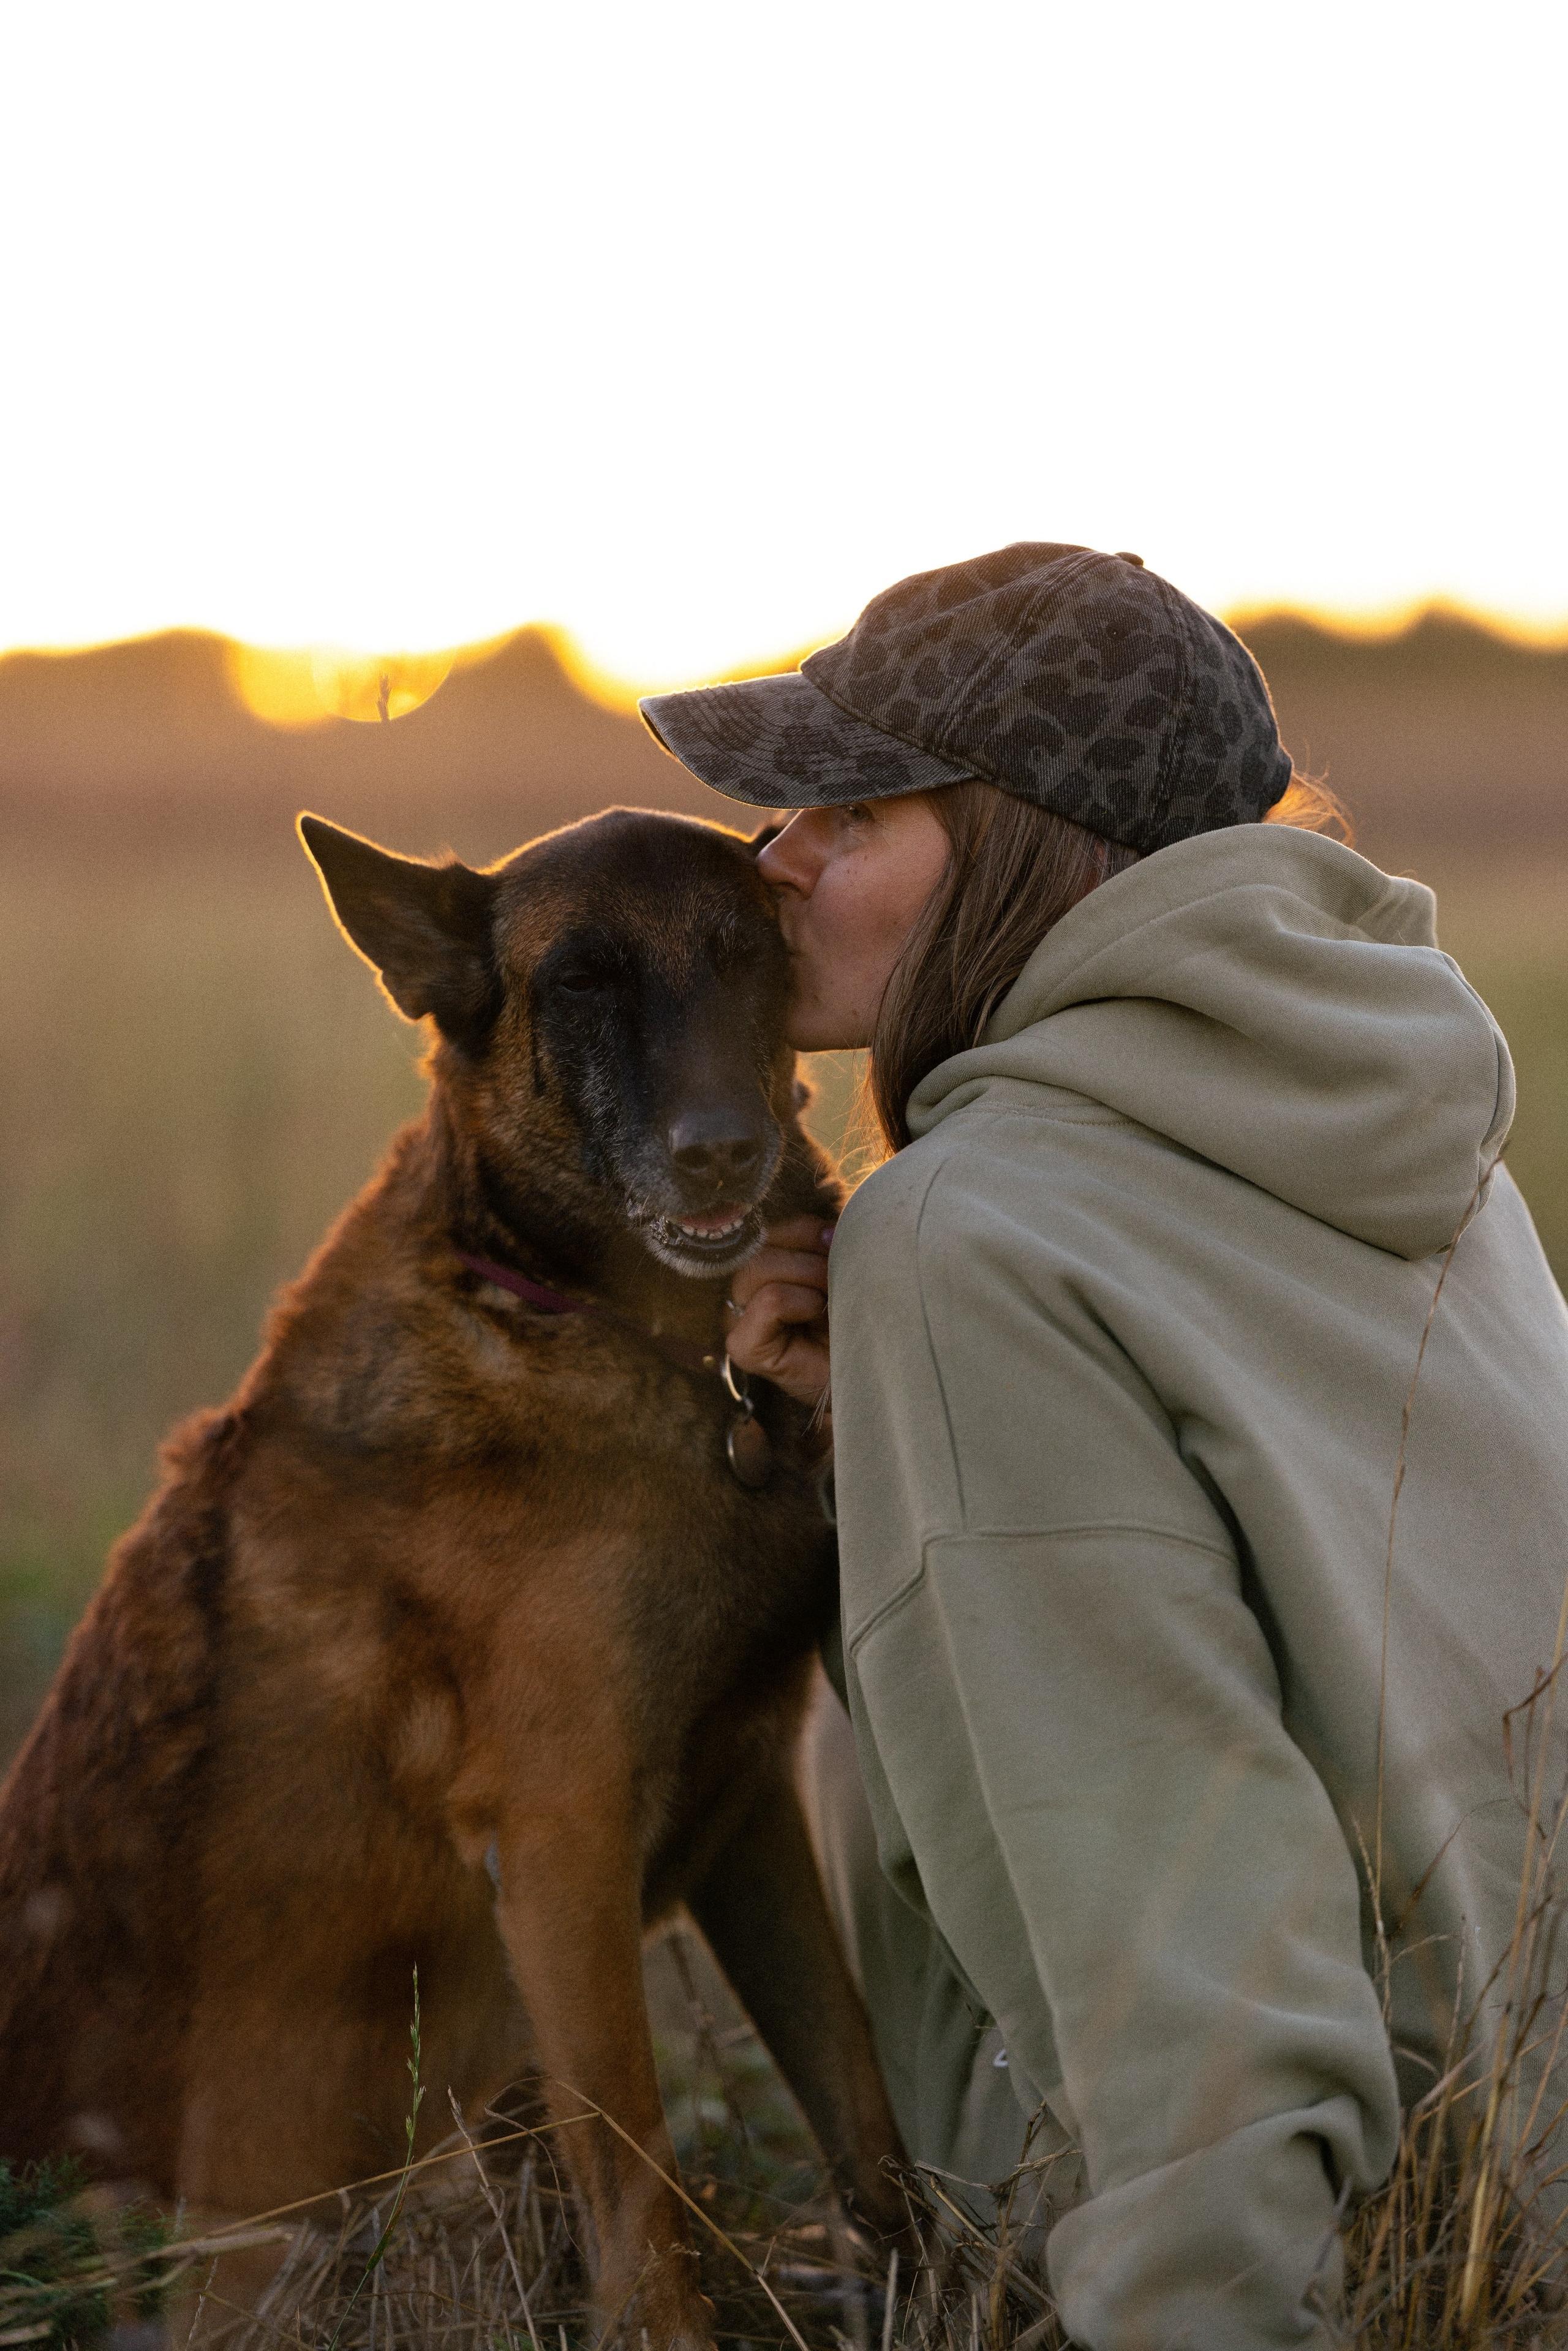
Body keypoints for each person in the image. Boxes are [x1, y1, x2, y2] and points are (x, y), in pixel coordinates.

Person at [638, 544, 1568, 2351]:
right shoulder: (1400, 1117)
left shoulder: (962, 1233)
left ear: (1017, 838)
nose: (777, 859)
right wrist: (872, 1452)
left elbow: (1182, 1921)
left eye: (851, 810)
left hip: (1332, 2240)